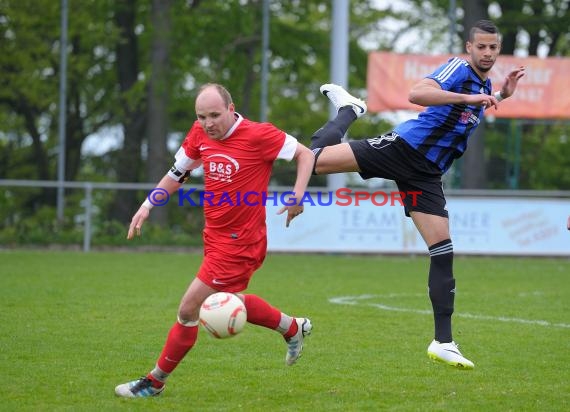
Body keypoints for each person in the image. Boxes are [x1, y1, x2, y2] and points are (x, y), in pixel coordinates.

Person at [310, 20, 525, 369]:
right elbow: (418, 94)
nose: (487, 53)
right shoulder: (459, 69)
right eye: (481, 46)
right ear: (469, 48)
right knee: (312, 161)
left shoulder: (482, 83)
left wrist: (499, 96)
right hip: (404, 149)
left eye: (493, 47)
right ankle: (350, 109)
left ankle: (444, 341)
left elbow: (466, 112)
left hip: (426, 174)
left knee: (443, 250)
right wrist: (470, 96)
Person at [115, 83, 315, 398]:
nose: (209, 123)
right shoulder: (200, 134)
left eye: (214, 115)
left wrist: (298, 194)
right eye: (202, 116)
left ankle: (154, 382)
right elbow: (178, 172)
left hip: (241, 244)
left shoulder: (259, 135)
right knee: (226, 300)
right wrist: (147, 204)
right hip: (215, 238)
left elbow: (304, 154)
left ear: (231, 109)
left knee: (189, 309)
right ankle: (292, 328)